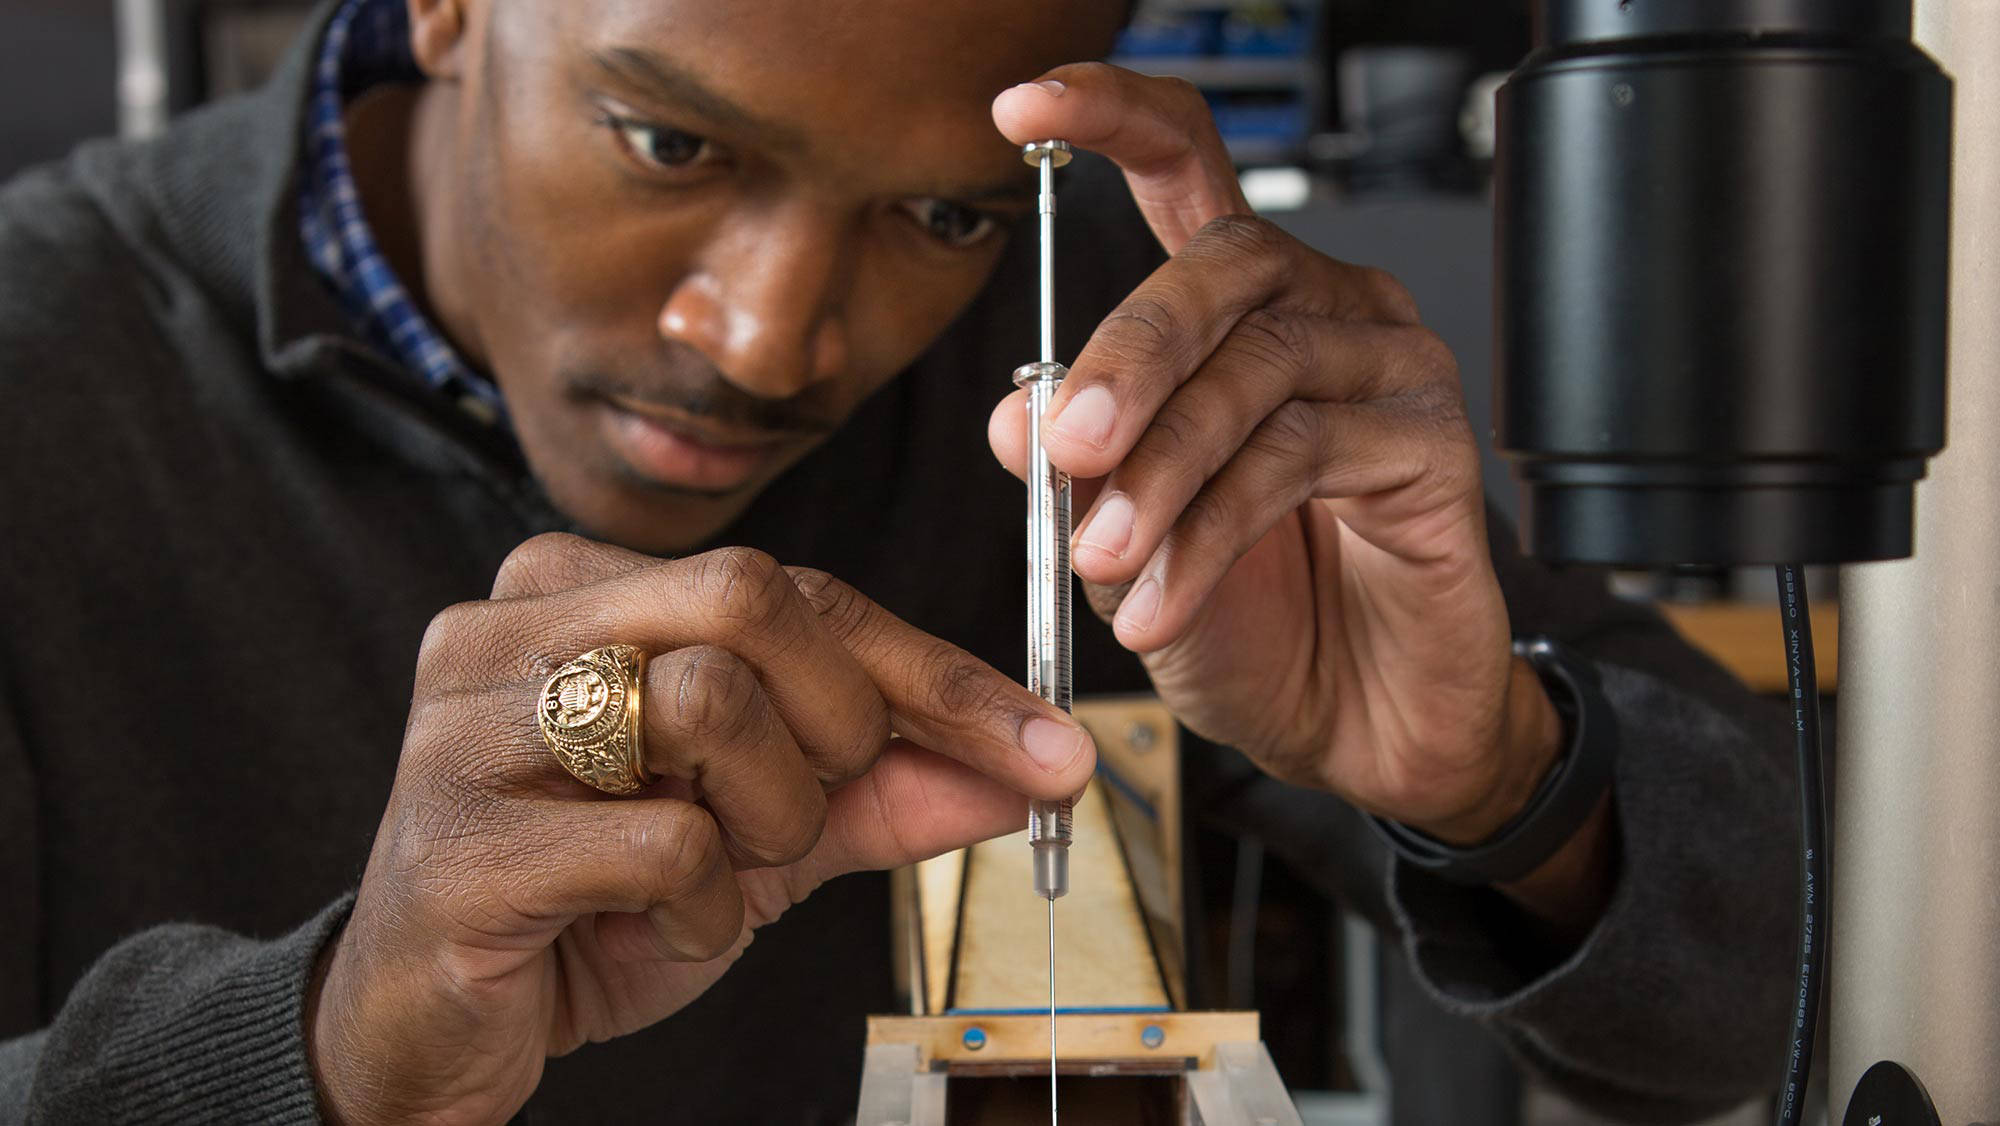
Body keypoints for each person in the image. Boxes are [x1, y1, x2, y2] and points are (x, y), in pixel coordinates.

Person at [0, 0, 1797, 1121]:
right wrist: (319, 1051)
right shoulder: (42, 377)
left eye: (938, 211)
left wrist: (1487, 772)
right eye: (669, 139)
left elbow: (1756, 1008)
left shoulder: (1083, 323)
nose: (772, 340)